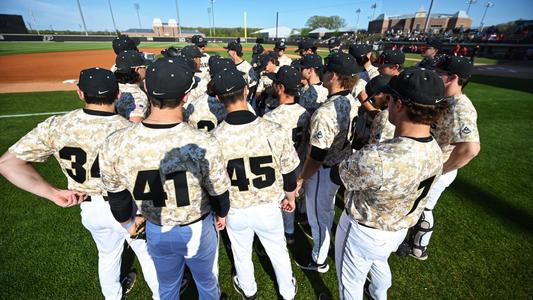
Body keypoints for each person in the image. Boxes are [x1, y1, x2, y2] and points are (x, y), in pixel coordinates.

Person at [0, 67, 160, 300]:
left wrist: (52, 193)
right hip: (130, 207)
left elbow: (7, 164)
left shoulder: (56, 125)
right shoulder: (131, 130)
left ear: (80, 93)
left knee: (107, 255)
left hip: (90, 208)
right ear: (117, 94)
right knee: (148, 255)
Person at [100, 57, 231, 300]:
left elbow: (117, 200)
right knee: (207, 283)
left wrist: (127, 224)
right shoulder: (204, 142)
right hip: (198, 227)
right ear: (185, 96)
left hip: (156, 229)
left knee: (167, 287)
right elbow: (220, 194)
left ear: (147, 89)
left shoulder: (115, 142)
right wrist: (221, 215)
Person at [334, 67, 449, 300]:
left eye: (390, 97)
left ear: (399, 105)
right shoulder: (436, 149)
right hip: (399, 228)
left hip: (366, 231)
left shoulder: (379, 156)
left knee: (350, 286)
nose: (387, 102)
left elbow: (338, 176)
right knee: (379, 263)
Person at [210, 68, 299, 300]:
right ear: (246, 91)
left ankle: (249, 290)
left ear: (218, 99)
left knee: (241, 253)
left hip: (236, 209)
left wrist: (221, 212)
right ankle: (287, 292)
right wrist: (290, 197)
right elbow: (290, 172)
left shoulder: (213, 138)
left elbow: (216, 184)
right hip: (269, 207)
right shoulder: (274, 129)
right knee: (278, 250)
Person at [400, 56, 480, 260]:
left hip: (439, 167)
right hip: (429, 162)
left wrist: (443, 168)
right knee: (416, 204)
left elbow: (471, 148)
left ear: (453, 78)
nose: (434, 74)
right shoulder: (443, 97)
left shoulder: (462, 107)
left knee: (425, 207)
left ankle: (419, 248)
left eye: (439, 73)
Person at [295, 52, 362, 273]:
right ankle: (320, 252)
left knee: (319, 218)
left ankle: (319, 259)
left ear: (333, 75)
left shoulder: (325, 111)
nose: (322, 73)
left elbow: (316, 156)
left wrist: (301, 179)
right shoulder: (352, 99)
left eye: (325, 70)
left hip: (323, 172)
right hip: (340, 165)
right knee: (326, 211)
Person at [263, 65, 311, 244]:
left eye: (276, 83)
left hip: (280, 167)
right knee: (298, 194)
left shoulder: (270, 117)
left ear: (281, 87)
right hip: (300, 160)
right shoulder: (305, 112)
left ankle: (288, 232)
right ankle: (298, 223)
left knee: (284, 199)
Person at [114, 50, 149, 123]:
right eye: (144, 66)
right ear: (137, 70)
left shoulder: (112, 86)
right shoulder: (137, 96)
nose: (146, 68)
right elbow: (135, 123)